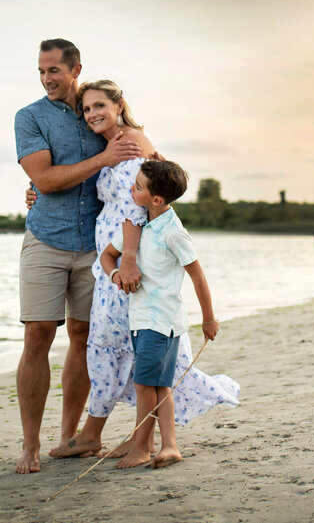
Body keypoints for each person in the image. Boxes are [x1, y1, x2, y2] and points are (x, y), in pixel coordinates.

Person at [47, 81, 238, 460]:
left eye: (99, 105)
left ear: (119, 106)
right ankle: (116, 434)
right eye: (86, 109)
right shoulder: (119, 143)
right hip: (112, 260)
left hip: (125, 261)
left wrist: (129, 258)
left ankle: (128, 438)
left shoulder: (131, 141)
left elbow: (139, 206)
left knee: (127, 344)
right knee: (117, 344)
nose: (92, 114)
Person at [12, 39, 143, 474]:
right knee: (37, 336)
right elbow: (45, 180)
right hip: (46, 239)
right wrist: (97, 161)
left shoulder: (98, 108)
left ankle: (72, 437)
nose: (48, 79)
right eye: (41, 72)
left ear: (75, 69)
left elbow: (143, 164)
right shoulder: (30, 117)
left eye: (54, 70)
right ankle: (30, 446)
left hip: (98, 247)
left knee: (85, 336)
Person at [100, 159, 219, 469]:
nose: (131, 189)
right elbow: (106, 257)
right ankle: (169, 446)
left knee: (145, 384)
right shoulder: (138, 223)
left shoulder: (174, 233)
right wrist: (117, 276)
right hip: (140, 320)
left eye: (137, 187)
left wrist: (208, 318)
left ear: (156, 200)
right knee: (159, 385)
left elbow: (198, 276)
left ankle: (141, 446)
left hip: (161, 322)